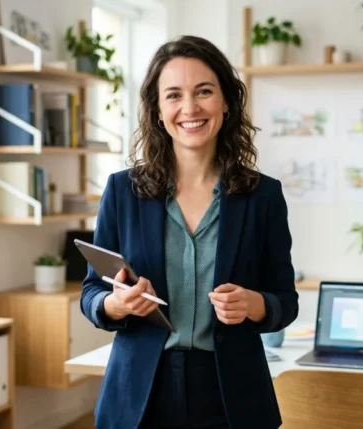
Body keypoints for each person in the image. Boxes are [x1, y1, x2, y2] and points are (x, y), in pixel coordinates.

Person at [79, 35, 299, 429]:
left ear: (226, 102)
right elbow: (93, 293)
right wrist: (118, 305)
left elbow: (285, 300)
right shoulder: (122, 192)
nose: (190, 108)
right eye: (174, 95)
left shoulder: (263, 196)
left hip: (232, 394)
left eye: (204, 92)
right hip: (140, 394)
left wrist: (253, 303)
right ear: (159, 111)